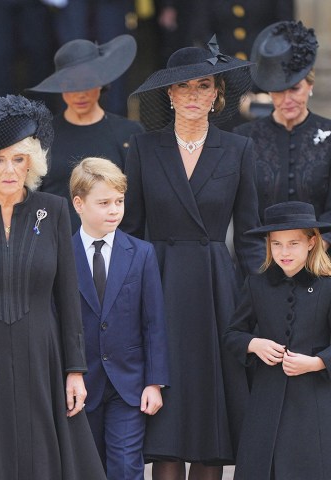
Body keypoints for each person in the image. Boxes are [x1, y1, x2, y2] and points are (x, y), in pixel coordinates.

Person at [120, 37, 264, 479]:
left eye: (204, 86)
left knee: (209, 411)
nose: (194, 96)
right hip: (159, 283)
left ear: (218, 94)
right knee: (168, 409)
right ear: (169, 94)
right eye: (184, 87)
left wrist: (266, 298)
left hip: (216, 288)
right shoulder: (143, 149)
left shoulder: (239, 149)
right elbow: (131, 229)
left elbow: (250, 235)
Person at [0, 94, 107, 480]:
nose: (8, 169)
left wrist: (74, 370)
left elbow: (67, 297)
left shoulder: (52, 211)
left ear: (32, 163)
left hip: (41, 352)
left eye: (18, 159)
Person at [70, 157, 170, 480]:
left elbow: (153, 322)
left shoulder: (141, 254)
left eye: (119, 201)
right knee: (87, 466)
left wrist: (154, 382)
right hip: (81, 384)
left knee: (127, 467)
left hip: (129, 384)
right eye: (104, 203)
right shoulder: (61, 255)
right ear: (79, 204)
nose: (114, 210)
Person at [224, 201, 331, 480]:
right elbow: (233, 334)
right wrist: (253, 344)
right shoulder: (256, 284)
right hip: (266, 402)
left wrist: (317, 362)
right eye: (276, 244)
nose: (284, 252)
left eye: (293, 243)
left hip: (314, 404)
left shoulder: (328, 286)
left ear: (311, 242)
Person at [28, 34, 144, 233]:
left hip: (113, 250)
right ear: (60, 85)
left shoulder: (129, 133)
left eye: (87, 82)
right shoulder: (42, 134)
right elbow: (31, 198)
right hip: (55, 247)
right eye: (71, 84)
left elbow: (138, 201)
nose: (80, 93)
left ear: (102, 81)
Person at [233, 20, 331, 251]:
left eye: (295, 89)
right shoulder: (243, 138)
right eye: (278, 91)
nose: (286, 100)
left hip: (322, 264)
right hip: (260, 266)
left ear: (310, 85)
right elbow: (242, 215)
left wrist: (316, 250)